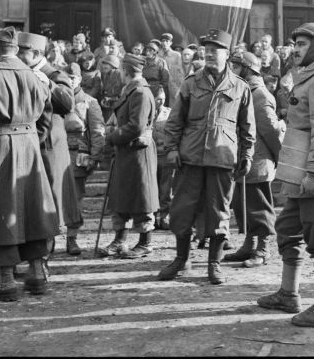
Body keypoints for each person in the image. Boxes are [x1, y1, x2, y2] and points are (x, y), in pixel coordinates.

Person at [257, 23, 314, 327]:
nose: (295, 49)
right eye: (294, 43)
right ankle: (288, 293)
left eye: (303, 44)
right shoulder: (307, 75)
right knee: (288, 227)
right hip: (299, 167)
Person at [0, 26, 59, 301]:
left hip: (0, 148)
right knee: (33, 208)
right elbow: (45, 118)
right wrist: (32, 141)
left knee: (0, 209)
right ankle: (37, 273)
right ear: (16, 49)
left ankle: (5, 281)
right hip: (30, 148)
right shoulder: (37, 77)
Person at [158, 28, 255, 285]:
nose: (209, 54)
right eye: (207, 50)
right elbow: (175, 120)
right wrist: (171, 149)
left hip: (223, 158)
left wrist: (247, 155)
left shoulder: (241, 87)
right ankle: (181, 260)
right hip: (190, 158)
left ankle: (214, 264)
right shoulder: (191, 84)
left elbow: (247, 128)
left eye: (215, 50)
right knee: (182, 210)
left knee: (219, 212)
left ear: (227, 54)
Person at [17, 32, 81, 252]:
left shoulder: (54, 73)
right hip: (30, 140)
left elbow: (68, 104)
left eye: (22, 52)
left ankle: (63, 238)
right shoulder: (21, 71)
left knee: (57, 191)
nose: (18, 56)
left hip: (51, 143)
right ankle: (42, 240)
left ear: (36, 54)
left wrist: (50, 85)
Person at [97, 53, 159, 259]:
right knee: (122, 197)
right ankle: (119, 240)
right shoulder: (130, 90)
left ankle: (145, 243)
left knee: (142, 198)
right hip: (127, 152)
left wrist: (112, 137)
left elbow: (136, 126)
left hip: (138, 153)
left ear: (125, 71)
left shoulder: (140, 92)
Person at [226, 52, 285, 268]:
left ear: (247, 69)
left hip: (258, 160)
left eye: (235, 66)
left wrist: (278, 157)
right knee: (244, 205)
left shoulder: (259, 94)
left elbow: (270, 130)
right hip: (243, 159)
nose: (231, 70)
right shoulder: (242, 90)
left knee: (259, 206)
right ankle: (249, 245)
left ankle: (263, 248)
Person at [63, 63, 105, 255]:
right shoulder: (55, 98)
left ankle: (72, 237)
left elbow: (97, 131)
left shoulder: (89, 101)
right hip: (57, 152)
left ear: (80, 79)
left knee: (75, 198)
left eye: (73, 77)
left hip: (78, 154)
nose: (70, 80)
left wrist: (95, 156)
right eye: (67, 77)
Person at [151, 85, 174, 230]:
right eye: (158, 99)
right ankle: (151, 218)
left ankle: (165, 217)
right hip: (150, 156)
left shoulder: (170, 113)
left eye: (163, 99)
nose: (161, 102)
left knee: (166, 189)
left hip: (165, 157)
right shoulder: (146, 112)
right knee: (152, 189)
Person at [159, 32, 184, 104]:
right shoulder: (159, 55)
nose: (164, 43)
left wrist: (179, 88)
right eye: (163, 41)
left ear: (170, 43)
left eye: (167, 41)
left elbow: (180, 73)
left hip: (173, 86)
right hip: (161, 86)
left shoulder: (176, 55)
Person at [143, 41, 170, 105]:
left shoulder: (161, 62)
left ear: (155, 52)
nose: (148, 52)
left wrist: (160, 90)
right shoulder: (142, 61)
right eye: (147, 50)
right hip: (144, 88)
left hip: (157, 89)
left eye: (150, 50)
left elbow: (165, 79)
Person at [99, 55, 123, 122]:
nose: (104, 66)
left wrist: (112, 98)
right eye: (104, 64)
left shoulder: (119, 75)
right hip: (106, 106)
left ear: (114, 65)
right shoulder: (104, 74)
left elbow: (122, 94)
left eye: (107, 64)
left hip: (116, 107)